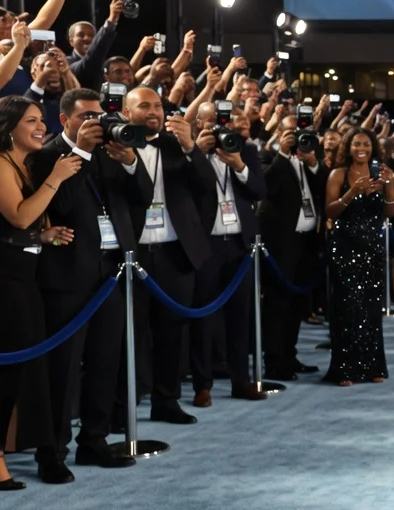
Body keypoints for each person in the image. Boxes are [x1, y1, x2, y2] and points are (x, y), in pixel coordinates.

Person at [28, 89, 140, 471]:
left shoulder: (110, 151)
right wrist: (81, 152)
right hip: (66, 279)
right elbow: (61, 207)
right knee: (62, 370)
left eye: (99, 115)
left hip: (108, 275)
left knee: (105, 362)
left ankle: (94, 441)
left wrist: (128, 163)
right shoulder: (46, 156)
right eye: (85, 117)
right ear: (65, 121)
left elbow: (140, 196)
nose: (96, 124)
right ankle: (52, 453)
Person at [0, 96, 80, 500]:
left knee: (19, 373)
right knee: (5, 373)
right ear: (8, 126)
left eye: (41, 119)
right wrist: (57, 178)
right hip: (5, 281)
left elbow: (17, 229)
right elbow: (18, 216)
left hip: (23, 275)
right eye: (30, 120)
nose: (40, 126)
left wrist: (42, 237)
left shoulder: (21, 164)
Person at [119, 86, 214, 425]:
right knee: (130, 333)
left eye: (158, 106)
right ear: (127, 113)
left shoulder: (178, 146)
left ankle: (166, 401)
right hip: (132, 254)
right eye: (144, 106)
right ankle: (123, 406)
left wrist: (191, 146)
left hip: (176, 252)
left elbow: (207, 186)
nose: (154, 112)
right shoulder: (117, 145)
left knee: (172, 332)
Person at [190, 106, 267, 403]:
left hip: (239, 246)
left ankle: (241, 381)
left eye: (227, 123)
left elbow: (260, 191)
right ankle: (202, 385)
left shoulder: (245, 150)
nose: (222, 128)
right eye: (214, 121)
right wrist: (197, 152)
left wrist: (238, 165)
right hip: (205, 245)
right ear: (200, 123)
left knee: (240, 316)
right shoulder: (191, 151)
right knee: (203, 316)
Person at [324, 130, 394, 386]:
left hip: (372, 248)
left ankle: (371, 366)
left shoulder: (381, 175)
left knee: (371, 308)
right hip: (343, 248)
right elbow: (329, 210)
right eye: (356, 143)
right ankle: (344, 369)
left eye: (366, 143)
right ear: (349, 147)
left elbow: (389, 211)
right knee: (346, 308)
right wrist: (351, 192)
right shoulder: (339, 174)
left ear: (372, 147)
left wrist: (390, 186)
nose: (361, 148)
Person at [258, 118, 326, 381]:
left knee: (298, 304)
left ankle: (290, 354)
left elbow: (324, 189)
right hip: (280, 244)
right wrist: (283, 154)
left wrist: (313, 164)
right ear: (278, 133)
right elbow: (265, 187)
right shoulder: (267, 156)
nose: (298, 139)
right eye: (291, 133)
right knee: (278, 305)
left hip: (306, 242)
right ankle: (274, 361)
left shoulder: (307, 156)